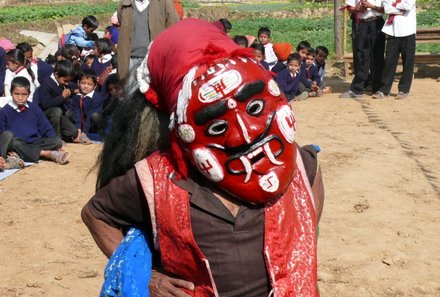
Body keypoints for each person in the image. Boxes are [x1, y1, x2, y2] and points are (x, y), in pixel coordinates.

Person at [82, 19, 324, 297]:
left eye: (254, 107)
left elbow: (306, 246)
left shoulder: (304, 169)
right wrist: (148, 277)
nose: (244, 134)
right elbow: (96, 214)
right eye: (217, 125)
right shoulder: (156, 180)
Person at [0, 77, 70, 165]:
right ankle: (46, 154)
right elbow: (2, 136)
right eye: (16, 94)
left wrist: (57, 146)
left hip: (35, 143)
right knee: (15, 144)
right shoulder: (4, 112)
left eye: (24, 94)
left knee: (57, 141)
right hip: (17, 144)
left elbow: (46, 127)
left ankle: (25, 154)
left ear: (29, 94)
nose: (20, 98)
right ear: (11, 93)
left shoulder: (34, 108)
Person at [117, 0, 179, 91]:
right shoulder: (125, 4)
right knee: (131, 96)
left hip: (154, 61)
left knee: (155, 96)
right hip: (130, 60)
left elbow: (174, 28)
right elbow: (121, 24)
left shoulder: (163, 2)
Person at [340, 0, 385, 99]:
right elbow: (350, 7)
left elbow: (386, 8)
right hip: (360, 24)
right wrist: (358, 9)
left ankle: (377, 88)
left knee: (377, 56)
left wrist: (372, 6)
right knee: (360, 56)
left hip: (377, 23)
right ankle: (358, 88)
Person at [372, 0, 417, 100]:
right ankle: (384, 90)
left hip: (408, 31)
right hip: (392, 31)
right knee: (389, 61)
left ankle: (404, 90)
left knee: (408, 61)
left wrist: (395, 5)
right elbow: (387, 9)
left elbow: (408, 6)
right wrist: (399, 9)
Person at [36, 60, 78, 142]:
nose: (67, 83)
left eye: (68, 81)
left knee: (72, 132)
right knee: (56, 111)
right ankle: (54, 138)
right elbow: (45, 104)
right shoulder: (47, 84)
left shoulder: (63, 83)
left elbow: (70, 88)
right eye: (65, 81)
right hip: (46, 114)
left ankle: (58, 136)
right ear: (56, 74)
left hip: (59, 115)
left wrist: (74, 91)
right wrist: (62, 97)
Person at [70, 69, 104, 144]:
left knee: (95, 115)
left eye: (89, 84)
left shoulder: (97, 97)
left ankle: (99, 135)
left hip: (92, 125)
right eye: (83, 83)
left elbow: (90, 116)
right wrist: (78, 131)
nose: (85, 86)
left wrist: (84, 133)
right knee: (69, 113)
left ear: (95, 86)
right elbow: (77, 113)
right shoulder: (76, 97)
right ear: (78, 83)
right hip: (81, 125)